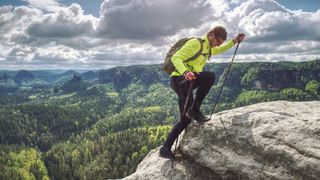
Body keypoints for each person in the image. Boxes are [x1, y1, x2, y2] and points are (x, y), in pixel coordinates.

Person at [159, 26, 245, 159]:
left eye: (220, 43)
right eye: (217, 42)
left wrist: (234, 41)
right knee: (185, 120)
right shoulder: (196, 43)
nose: (218, 45)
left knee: (209, 76)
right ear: (211, 35)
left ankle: (195, 110)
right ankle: (165, 148)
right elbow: (176, 58)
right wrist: (186, 72)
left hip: (190, 79)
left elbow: (221, 50)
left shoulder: (208, 48)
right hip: (179, 80)